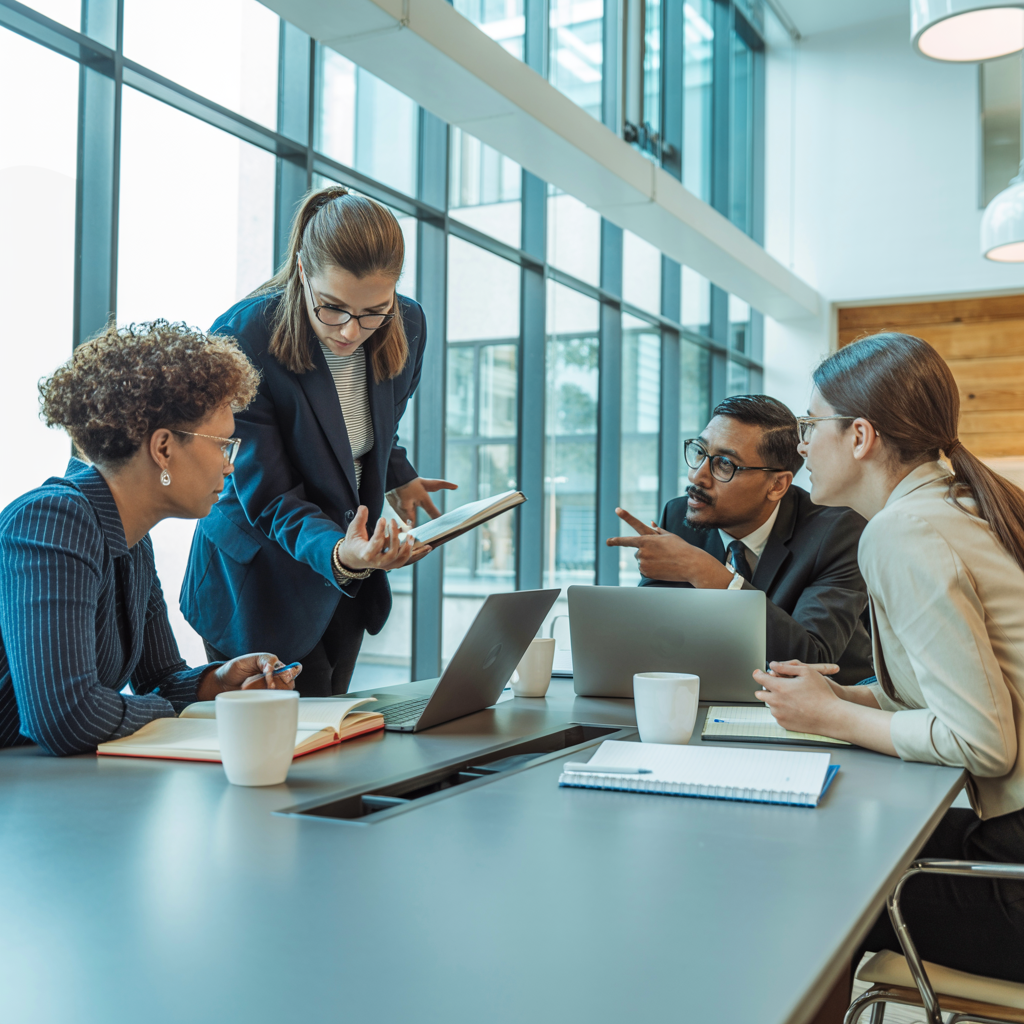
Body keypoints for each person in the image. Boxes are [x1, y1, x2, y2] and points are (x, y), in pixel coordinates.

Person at [756, 334, 1024, 1003]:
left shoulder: (905, 532)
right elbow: (969, 691)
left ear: (861, 437)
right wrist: (851, 696)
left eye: (811, 426)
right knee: (847, 835)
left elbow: (983, 744)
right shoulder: (957, 505)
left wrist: (834, 716)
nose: (802, 446)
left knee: (810, 872)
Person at [183, 185, 454, 698]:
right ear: (304, 271)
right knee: (276, 752)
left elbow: (379, 424)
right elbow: (268, 495)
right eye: (333, 308)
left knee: (330, 733)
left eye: (374, 310)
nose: (352, 332)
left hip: (344, 571)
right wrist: (339, 552)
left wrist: (400, 476)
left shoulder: (408, 323)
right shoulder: (244, 336)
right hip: (259, 579)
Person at [0, 321, 300, 757]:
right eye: (222, 445)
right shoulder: (51, 522)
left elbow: (159, 677)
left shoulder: (133, 540)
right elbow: (65, 717)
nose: (229, 466)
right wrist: (164, 710)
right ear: (163, 448)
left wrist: (217, 682)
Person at [608, 395, 873, 684]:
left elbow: (810, 658)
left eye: (724, 464)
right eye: (699, 452)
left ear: (776, 485)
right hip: (713, 693)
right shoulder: (679, 516)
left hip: (828, 706)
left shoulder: (838, 533)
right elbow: (653, 638)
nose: (697, 476)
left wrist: (708, 573)